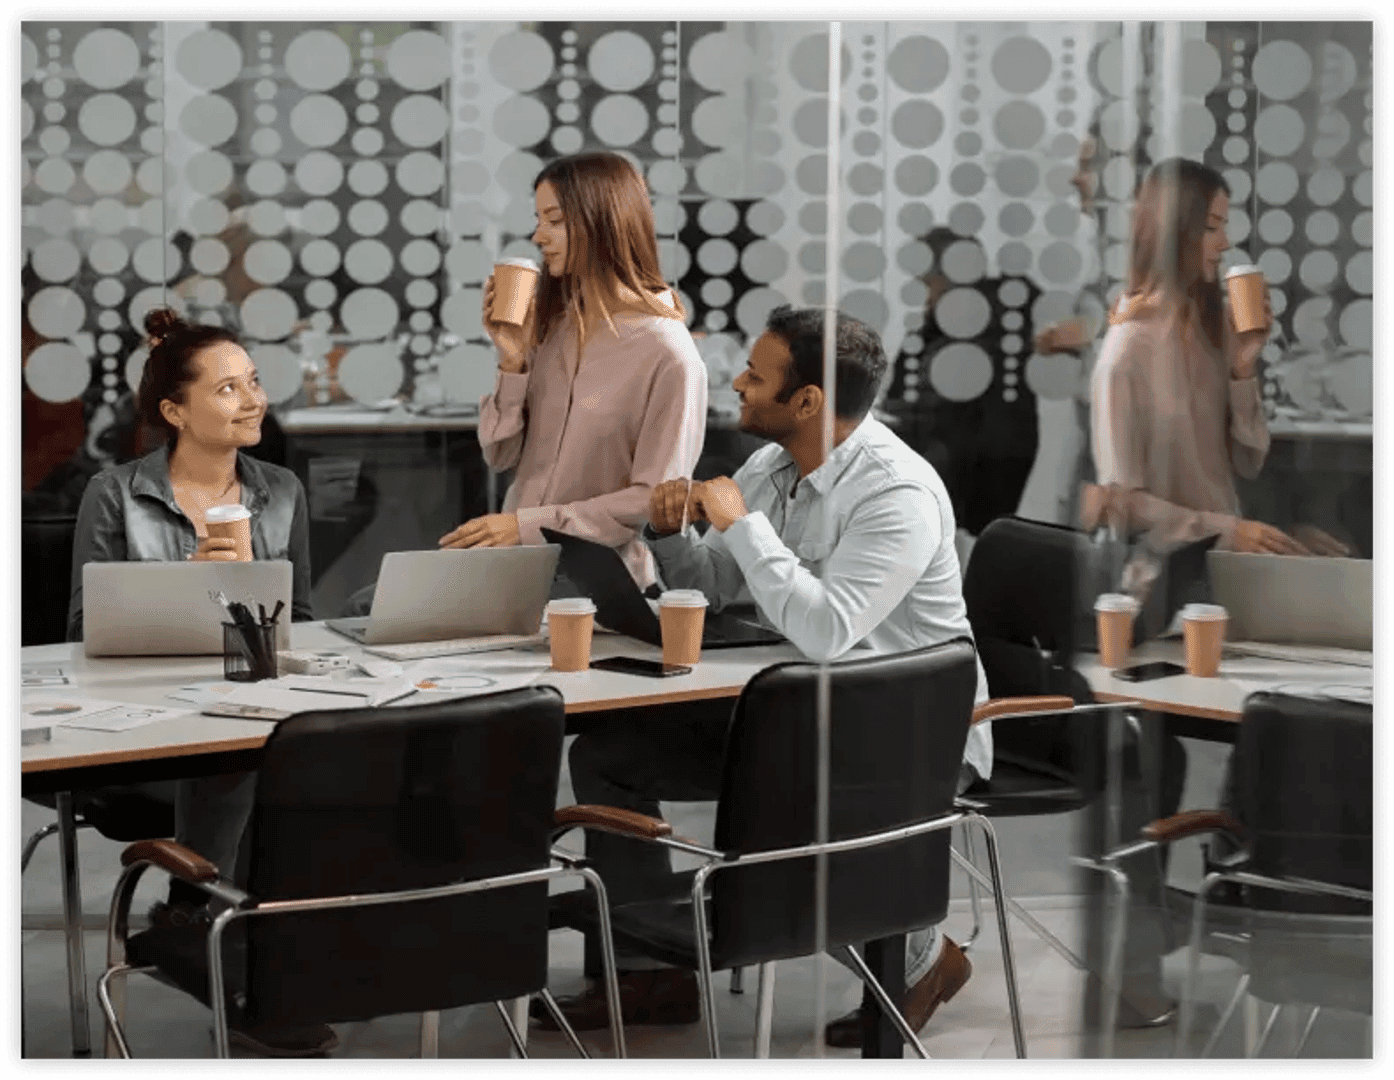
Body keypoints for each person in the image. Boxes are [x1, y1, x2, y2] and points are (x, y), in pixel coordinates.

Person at [546, 306, 992, 1048]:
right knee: (607, 755)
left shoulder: (897, 494)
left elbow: (825, 628)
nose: (739, 383)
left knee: (772, 794)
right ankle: (651, 970)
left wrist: (743, 526)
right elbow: (719, 586)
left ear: (809, 402)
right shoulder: (772, 466)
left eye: (757, 374)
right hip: (803, 716)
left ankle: (915, 953)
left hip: (910, 735)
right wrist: (672, 532)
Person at [67, 308, 329, 1058]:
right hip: (146, 716)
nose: (251, 399)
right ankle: (216, 940)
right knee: (246, 750)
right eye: (226, 389)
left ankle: (224, 941)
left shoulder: (280, 490)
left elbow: (300, 619)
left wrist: (256, 605)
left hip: (248, 700)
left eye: (253, 382)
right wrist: (195, 587)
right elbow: (85, 631)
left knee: (298, 747)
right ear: (174, 411)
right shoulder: (115, 493)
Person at [437, 151, 708, 594]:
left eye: (555, 220)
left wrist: (526, 526)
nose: (538, 235)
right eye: (538, 219)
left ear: (602, 223)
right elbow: (500, 456)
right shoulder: (559, 327)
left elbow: (650, 501)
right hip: (520, 576)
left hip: (601, 591)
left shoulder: (668, 353)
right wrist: (513, 359)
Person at [1087, 157, 1311, 555]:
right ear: (1174, 234)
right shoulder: (1123, 355)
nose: (1224, 243)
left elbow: (1248, 463)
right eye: (1211, 228)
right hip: (1169, 574)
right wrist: (1225, 529)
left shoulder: (1212, 329)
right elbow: (1121, 507)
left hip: (1227, 564)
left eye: (1224, 226)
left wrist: (1244, 366)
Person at [885, 228, 1042, 537]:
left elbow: (923, 415)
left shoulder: (961, 342)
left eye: (927, 286)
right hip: (986, 485)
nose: (925, 299)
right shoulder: (998, 327)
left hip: (960, 486)